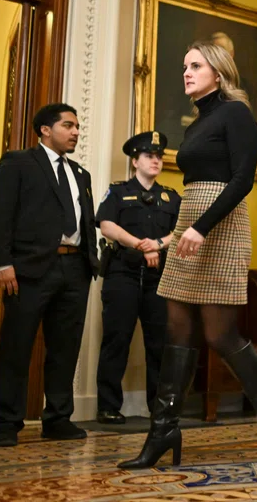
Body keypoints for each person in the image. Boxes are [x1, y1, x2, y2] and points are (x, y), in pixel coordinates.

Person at [120, 41, 257, 469]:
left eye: (196, 66)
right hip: (191, 220)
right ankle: (163, 430)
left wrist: (202, 227)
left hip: (220, 225)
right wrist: (184, 228)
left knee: (220, 334)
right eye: (184, 66)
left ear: (218, 74)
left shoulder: (236, 113)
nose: (186, 72)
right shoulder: (197, 122)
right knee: (177, 329)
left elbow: (242, 180)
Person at [0, 103, 99, 447]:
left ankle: (58, 419)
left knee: (65, 348)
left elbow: (86, 221)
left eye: (77, 126)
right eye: (68, 125)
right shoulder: (18, 162)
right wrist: (1, 263)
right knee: (16, 346)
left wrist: (91, 261)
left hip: (74, 269)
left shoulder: (80, 173)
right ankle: (7, 422)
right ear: (45, 130)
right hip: (29, 269)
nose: (76, 132)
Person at [94, 131, 181, 424]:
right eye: (149, 156)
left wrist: (157, 244)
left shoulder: (171, 196)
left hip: (159, 278)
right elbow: (107, 225)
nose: (155, 161)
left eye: (159, 157)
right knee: (116, 340)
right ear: (135, 161)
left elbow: (181, 230)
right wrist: (142, 245)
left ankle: (159, 408)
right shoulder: (118, 192)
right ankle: (108, 407)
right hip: (123, 274)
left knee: (160, 344)